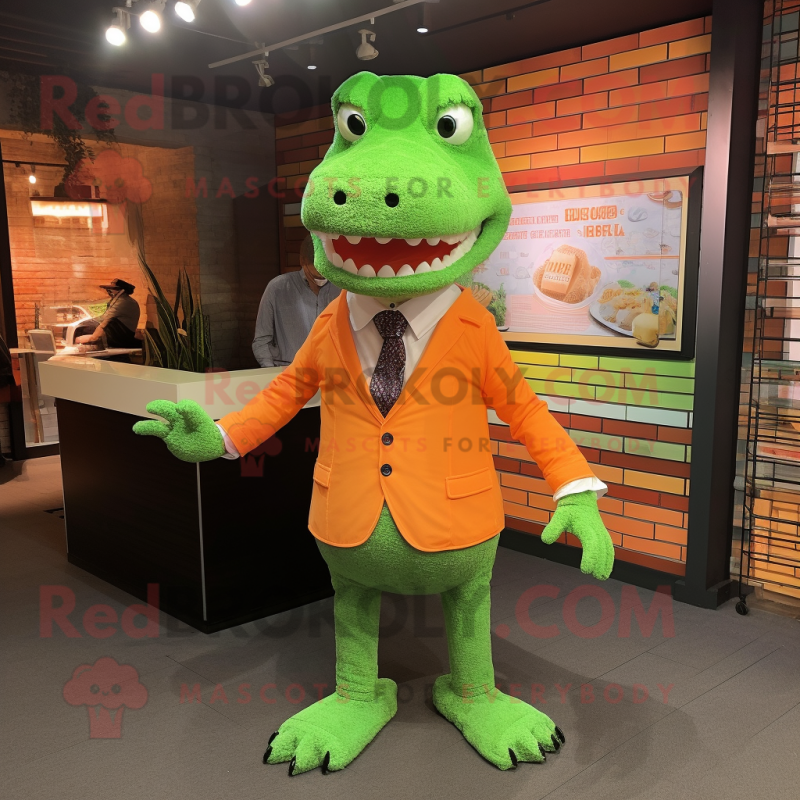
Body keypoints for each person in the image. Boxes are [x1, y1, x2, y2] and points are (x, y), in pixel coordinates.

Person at [252, 234, 340, 367]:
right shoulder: (277, 288)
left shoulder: (341, 290)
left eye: (326, 275)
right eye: (315, 275)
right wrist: (270, 371)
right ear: (302, 261)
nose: (321, 279)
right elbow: (262, 340)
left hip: (332, 370)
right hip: (288, 369)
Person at [76, 279, 140, 349]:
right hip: (116, 332)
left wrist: (93, 337)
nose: (110, 291)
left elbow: (106, 321)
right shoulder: (120, 300)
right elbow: (104, 317)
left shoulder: (124, 302)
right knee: (82, 326)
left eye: (113, 289)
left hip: (120, 337)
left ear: (120, 290)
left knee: (83, 329)